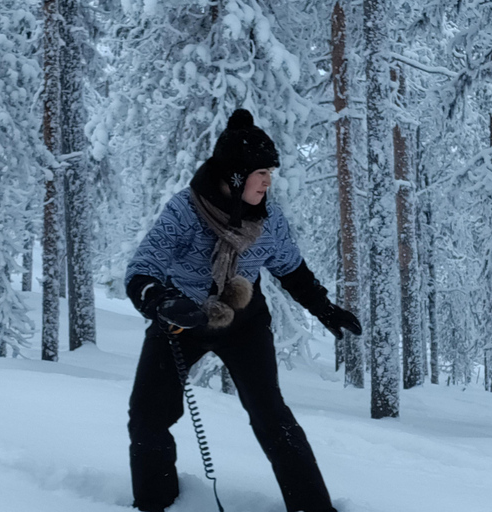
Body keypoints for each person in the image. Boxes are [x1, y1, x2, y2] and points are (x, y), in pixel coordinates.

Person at [125, 109, 362, 512]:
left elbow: (291, 270)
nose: (269, 181)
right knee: (148, 415)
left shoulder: (268, 221)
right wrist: (162, 301)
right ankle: (155, 503)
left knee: (271, 416)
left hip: (244, 322)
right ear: (235, 176)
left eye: (271, 172)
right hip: (181, 320)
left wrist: (326, 309)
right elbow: (142, 269)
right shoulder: (185, 211)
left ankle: (313, 508)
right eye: (261, 173)